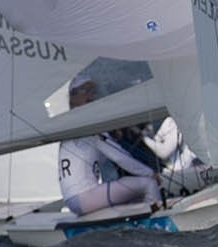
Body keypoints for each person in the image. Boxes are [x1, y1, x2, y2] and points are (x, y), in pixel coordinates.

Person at [57, 80, 162, 215]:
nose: (91, 95)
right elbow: (119, 157)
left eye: (93, 91)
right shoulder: (90, 126)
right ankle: (156, 220)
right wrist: (150, 173)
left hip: (74, 200)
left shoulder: (71, 126)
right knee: (149, 183)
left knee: (132, 190)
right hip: (86, 197)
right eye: (86, 90)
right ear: (73, 96)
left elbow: (100, 158)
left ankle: (136, 218)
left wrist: (112, 137)